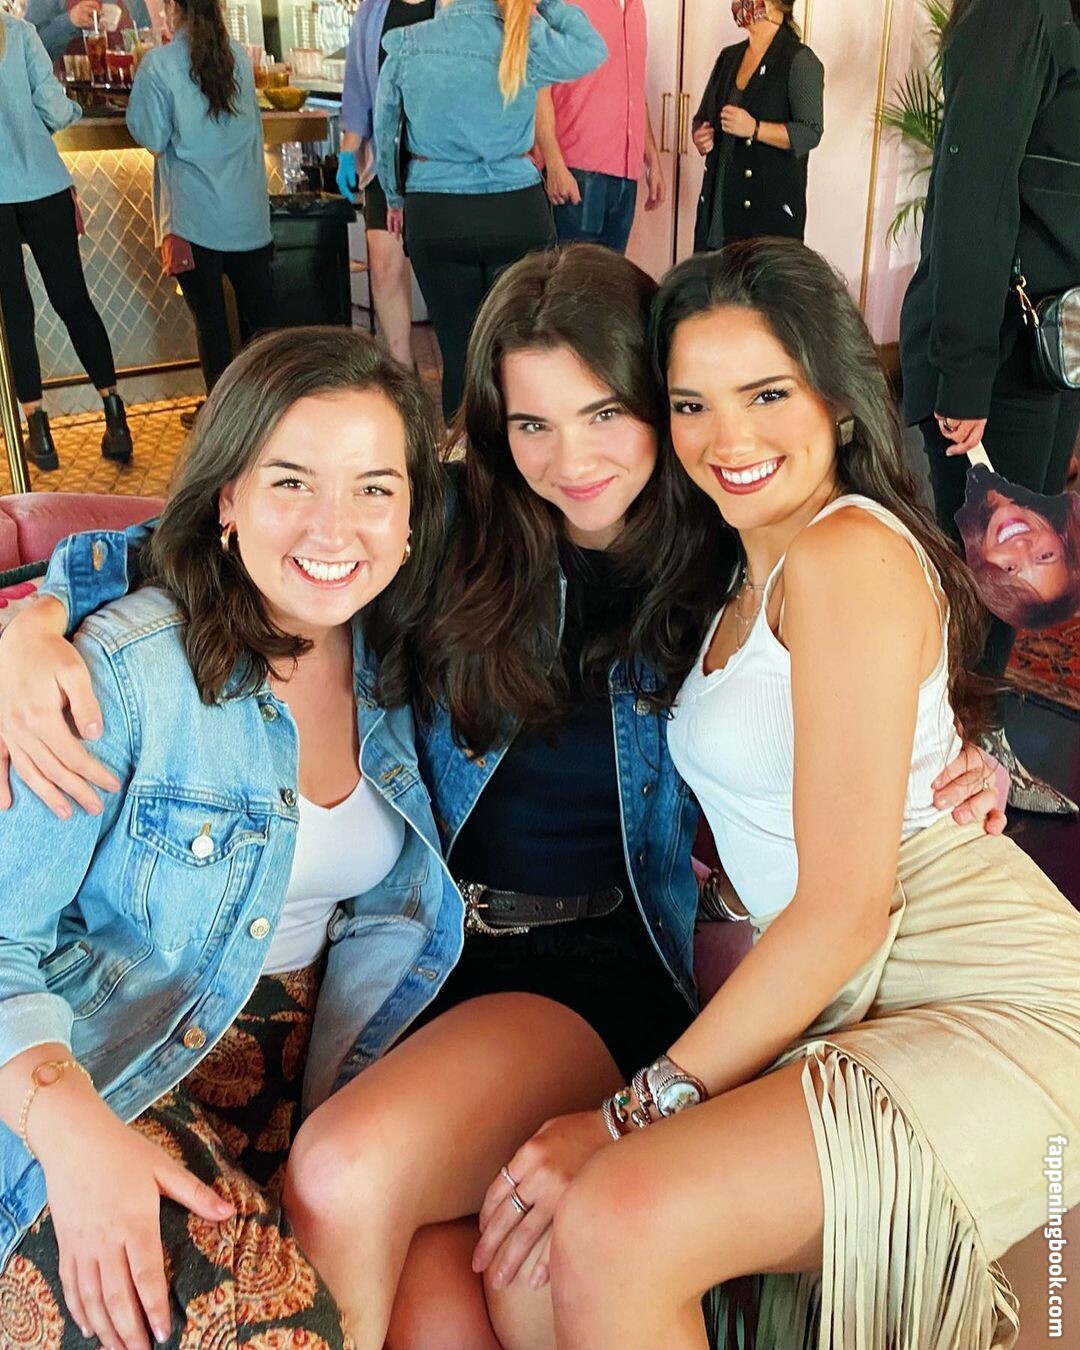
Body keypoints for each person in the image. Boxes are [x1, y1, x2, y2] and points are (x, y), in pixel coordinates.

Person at [0, 246, 1003, 1350]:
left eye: (606, 413)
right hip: (414, 961)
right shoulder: (451, 535)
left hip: (584, 974)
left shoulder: (720, 557)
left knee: (344, 1172)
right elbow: (228, 540)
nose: (571, 459)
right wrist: (39, 618)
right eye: (532, 424)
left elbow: (876, 649)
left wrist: (963, 755)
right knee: (444, 1302)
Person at [473, 239, 1080, 1350]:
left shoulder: (843, 552)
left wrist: (628, 1112)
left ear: (837, 399)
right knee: (534, 1259)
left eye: (767, 394)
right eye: (691, 404)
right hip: (851, 992)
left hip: (967, 979)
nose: (730, 438)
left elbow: (846, 907)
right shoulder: (730, 567)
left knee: (613, 1216)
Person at [0, 324, 463, 1350]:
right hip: (91, 1068)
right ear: (227, 500)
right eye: (290, 482)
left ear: (413, 517)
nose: (334, 527)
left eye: (374, 488)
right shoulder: (125, 671)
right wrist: (77, 1142)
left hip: (299, 1081)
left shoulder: (404, 659)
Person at [899, 0, 1080, 814]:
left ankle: (974, 742)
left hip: (1053, 352)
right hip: (999, 354)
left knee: (1017, 573)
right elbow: (972, 194)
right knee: (984, 576)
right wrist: (965, 373)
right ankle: (942, 762)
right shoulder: (1019, 10)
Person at [373, 0, 607, 418]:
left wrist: (393, 197)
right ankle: (518, 449)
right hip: (517, 210)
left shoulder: (410, 43)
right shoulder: (523, 39)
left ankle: (462, 453)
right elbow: (591, 49)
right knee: (519, 349)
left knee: (458, 352)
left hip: (436, 211)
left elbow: (386, 128)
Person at [126, 0, 275, 418]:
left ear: (173, 7)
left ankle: (225, 422)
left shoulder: (159, 64)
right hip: (249, 217)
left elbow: (152, 138)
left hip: (195, 220)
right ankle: (271, 412)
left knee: (212, 327)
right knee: (262, 327)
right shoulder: (239, 58)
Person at [0, 10, 133, 471]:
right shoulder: (20, 33)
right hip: (45, 187)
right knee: (74, 301)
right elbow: (55, 109)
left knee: (15, 312)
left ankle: (38, 432)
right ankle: (115, 415)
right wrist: (72, 110)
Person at [336, 0, 435, 369]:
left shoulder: (453, 6)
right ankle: (402, 374)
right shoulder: (372, 11)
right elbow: (358, 92)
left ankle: (460, 380)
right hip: (386, 160)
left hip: (441, 163)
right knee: (383, 267)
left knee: (440, 272)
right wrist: (348, 153)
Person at [531, 0, 665, 253]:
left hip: (626, 175)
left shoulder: (636, 8)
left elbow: (633, 87)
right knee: (572, 273)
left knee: (611, 275)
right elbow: (539, 85)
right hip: (575, 171)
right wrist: (554, 163)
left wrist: (652, 159)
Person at [690, 0, 823, 252]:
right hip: (718, 211)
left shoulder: (800, 60)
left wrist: (755, 129)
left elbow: (809, 132)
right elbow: (703, 117)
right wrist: (700, 135)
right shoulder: (728, 57)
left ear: (776, 6)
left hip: (766, 217)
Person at [956, 464, 1080, 629]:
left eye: (1010, 568)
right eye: (1045, 556)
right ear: (1062, 538)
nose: (1021, 545)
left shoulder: (951, 504)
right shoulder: (1040, 474)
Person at [24, 0, 151, 64]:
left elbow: (146, 38)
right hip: (72, 100)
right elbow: (30, 52)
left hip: (127, 98)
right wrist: (70, 21)